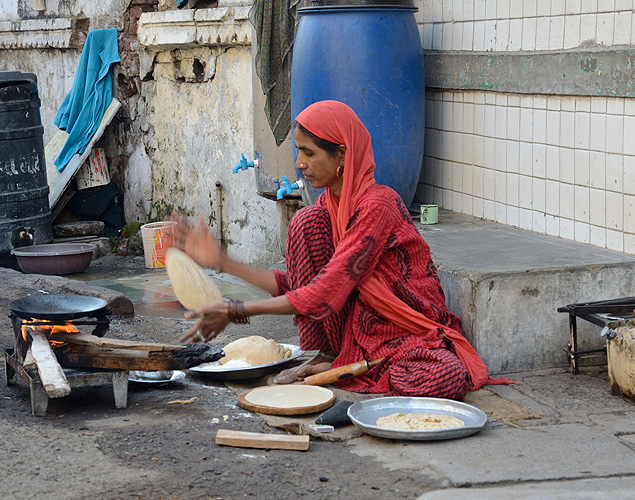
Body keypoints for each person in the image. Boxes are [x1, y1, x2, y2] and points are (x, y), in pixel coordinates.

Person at [172, 100, 509, 400]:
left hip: (405, 330)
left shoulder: (379, 204)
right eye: (298, 152)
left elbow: (324, 293)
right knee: (305, 221)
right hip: (357, 330)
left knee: (444, 377)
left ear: (343, 155)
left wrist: (235, 310)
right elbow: (302, 288)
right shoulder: (329, 209)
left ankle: (351, 367)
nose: (299, 163)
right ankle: (331, 355)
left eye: (309, 152)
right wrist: (222, 262)